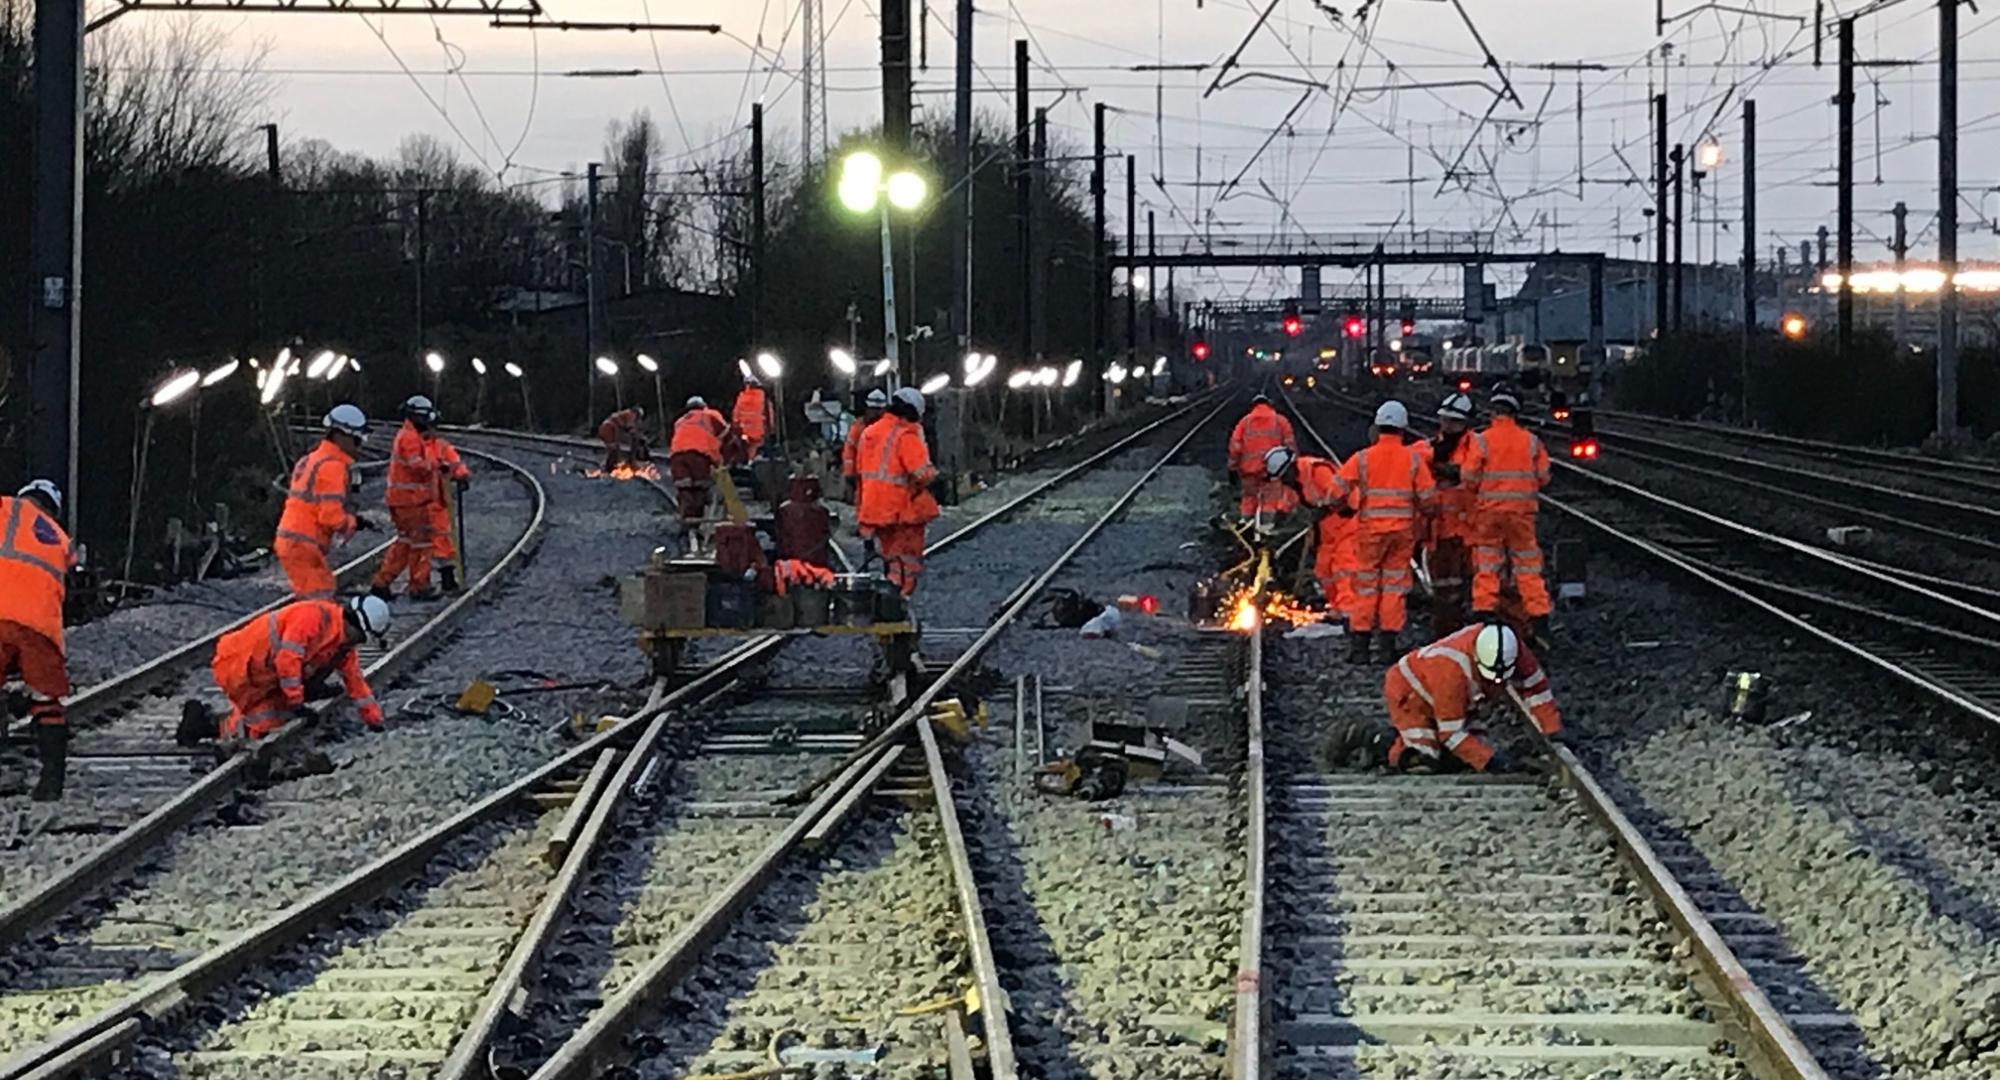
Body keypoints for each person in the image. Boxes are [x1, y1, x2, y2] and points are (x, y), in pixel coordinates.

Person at [181, 595, 390, 746]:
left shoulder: (341, 646)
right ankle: (206, 724)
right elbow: (287, 661)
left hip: (263, 676)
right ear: (356, 626)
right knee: (267, 724)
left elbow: (356, 683)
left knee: (266, 722)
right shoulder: (314, 617)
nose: (358, 644)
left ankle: (203, 724)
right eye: (361, 638)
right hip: (239, 667)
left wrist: (375, 721)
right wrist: (297, 702)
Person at [1331, 401, 1436, 663]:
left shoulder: (1363, 458)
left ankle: (1360, 649)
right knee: (1393, 586)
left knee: (1365, 585)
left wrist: (1342, 507)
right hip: (1402, 533)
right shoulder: (1413, 460)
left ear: (1377, 427)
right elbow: (1429, 499)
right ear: (1403, 429)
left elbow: (1335, 492)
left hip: (1371, 533)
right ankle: (1388, 648)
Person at [1382, 622, 1560, 772]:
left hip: (1453, 694)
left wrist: (1552, 730)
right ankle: (1383, 743)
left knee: (1467, 752)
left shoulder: (1515, 651)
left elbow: (1537, 690)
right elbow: (1451, 733)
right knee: (1425, 761)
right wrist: (1489, 761)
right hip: (1411, 695)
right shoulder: (1450, 671)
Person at [1, 480, 79, 801]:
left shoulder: (4, 506)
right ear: (53, 509)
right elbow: (74, 575)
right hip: (39, 624)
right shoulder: (61, 538)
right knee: (47, 701)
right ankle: (51, 783)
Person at [1472, 388, 1553, 642]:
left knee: (1487, 564)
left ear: (1494, 411)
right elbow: (1543, 477)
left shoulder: (1481, 440)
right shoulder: (1531, 441)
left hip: (1490, 513)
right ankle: (1539, 621)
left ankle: (1485, 615)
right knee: (1528, 566)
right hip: (1522, 514)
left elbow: (1469, 477)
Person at [275, 405, 372, 601]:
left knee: (321, 592)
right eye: (357, 439)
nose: (359, 445)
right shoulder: (332, 467)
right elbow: (330, 517)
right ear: (341, 436)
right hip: (303, 544)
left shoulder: (311, 459)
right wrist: (352, 523)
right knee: (319, 603)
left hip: (295, 541)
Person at [856, 386, 940, 597]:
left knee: (891, 554)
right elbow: (921, 473)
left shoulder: (870, 432)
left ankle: (892, 588)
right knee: (909, 554)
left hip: (874, 506)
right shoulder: (906, 435)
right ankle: (903, 594)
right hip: (901, 507)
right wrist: (933, 474)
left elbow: (860, 468)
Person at [1260, 446, 1354, 615]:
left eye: (1283, 477)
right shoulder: (1294, 483)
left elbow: (1342, 496)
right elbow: (1286, 505)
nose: (1283, 482)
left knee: (1343, 568)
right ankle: (1336, 607)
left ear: (1291, 467)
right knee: (1323, 569)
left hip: (1348, 524)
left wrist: (1322, 510)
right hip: (1328, 530)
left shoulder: (1316, 472)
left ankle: (1348, 612)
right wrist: (1271, 527)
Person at [1425, 392, 1487, 639]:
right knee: (1445, 589)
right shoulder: (1431, 447)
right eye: (1445, 420)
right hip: (1441, 530)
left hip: (1471, 530)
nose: (1448, 426)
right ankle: (1447, 635)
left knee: (1475, 586)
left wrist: (1449, 471)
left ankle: (1474, 633)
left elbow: (1473, 475)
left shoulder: (1476, 446)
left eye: (1454, 422)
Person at [371, 396, 444, 601]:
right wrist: (436, 465)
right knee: (422, 543)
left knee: (404, 541)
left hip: (401, 501)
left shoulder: (406, 434)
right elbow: (417, 466)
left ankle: (382, 583)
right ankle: (419, 585)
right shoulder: (410, 438)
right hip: (412, 501)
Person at [1225, 394, 1297, 516]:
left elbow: (1235, 448)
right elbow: (1291, 447)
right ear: (1270, 405)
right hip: (1272, 471)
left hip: (1248, 470)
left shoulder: (1244, 423)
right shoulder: (1280, 421)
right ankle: (1265, 527)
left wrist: (1232, 468)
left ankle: (1247, 522)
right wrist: (1292, 467)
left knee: (1249, 498)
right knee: (1269, 500)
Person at [423, 427, 473, 593]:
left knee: (442, 538)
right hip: (417, 503)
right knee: (417, 543)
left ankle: (447, 577)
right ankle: (421, 582)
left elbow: (455, 462)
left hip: (437, 501)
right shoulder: (412, 446)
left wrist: (462, 475)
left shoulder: (440, 446)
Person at [667, 396, 728, 522]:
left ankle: (687, 518)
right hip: (700, 455)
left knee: (685, 488)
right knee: (700, 488)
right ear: (703, 406)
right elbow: (726, 433)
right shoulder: (710, 415)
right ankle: (696, 520)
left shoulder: (679, 421)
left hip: (677, 457)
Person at [842, 388, 889, 500]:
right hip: (863, 476)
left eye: (878, 409)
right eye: (873, 409)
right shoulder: (858, 427)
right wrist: (849, 473)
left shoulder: (890, 427)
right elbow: (850, 450)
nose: (876, 413)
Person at [733, 374, 772, 462]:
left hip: (743, 431)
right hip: (758, 431)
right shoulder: (763, 397)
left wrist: (736, 428)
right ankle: (752, 462)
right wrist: (770, 429)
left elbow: (735, 415)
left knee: (744, 449)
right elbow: (769, 415)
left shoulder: (741, 397)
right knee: (755, 449)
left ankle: (746, 463)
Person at [597, 405, 648, 471]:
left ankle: (611, 466)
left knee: (615, 448)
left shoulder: (624, 414)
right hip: (609, 429)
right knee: (613, 449)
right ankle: (609, 467)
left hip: (607, 429)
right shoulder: (630, 415)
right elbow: (629, 428)